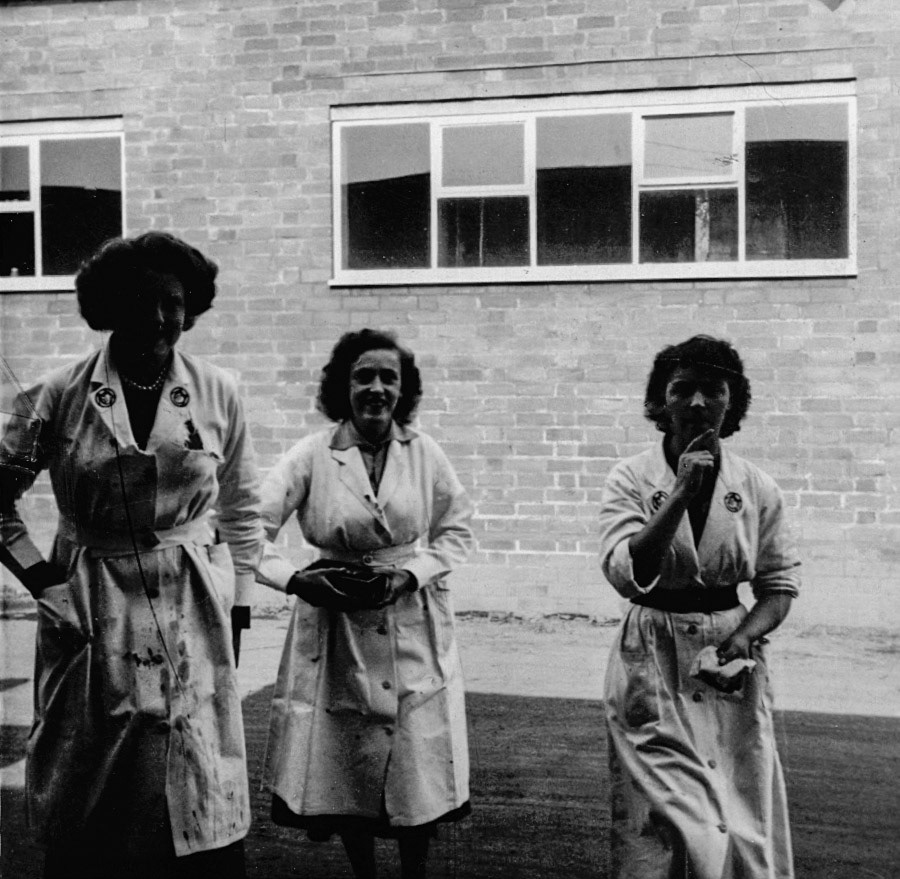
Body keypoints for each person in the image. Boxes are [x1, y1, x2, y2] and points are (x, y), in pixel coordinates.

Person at [0, 232, 263, 879]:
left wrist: (239, 603)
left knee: (193, 765)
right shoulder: (56, 395)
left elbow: (242, 508)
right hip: (91, 600)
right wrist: (44, 582)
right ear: (110, 305)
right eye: (140, 300)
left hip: (191, 596)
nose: (158, 317)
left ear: (190, 307)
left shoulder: (218, 391)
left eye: (172, 301)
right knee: (90, 773)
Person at [256, 328, 474, 879]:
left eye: (388, 378)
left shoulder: (423, 453)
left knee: (416, 758)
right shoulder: (312, 454)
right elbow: (245, 530)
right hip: (335, 622)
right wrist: (295, 581)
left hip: (410, 617)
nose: (376, 389)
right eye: (363, 377)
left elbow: (457, 530)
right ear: (343, 387)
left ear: (403, 390)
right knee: (348, 755)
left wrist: (411, 573)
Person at [597, 335, 800, 879]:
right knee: (665, 816)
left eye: (713, 390)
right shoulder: (631, 478)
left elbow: (779, 585)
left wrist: (743, 637)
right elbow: (626, 571)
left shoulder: (756, 486)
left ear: (732, 402)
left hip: (730, 660)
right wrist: (682, 493)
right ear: (661, 401)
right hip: (653, 652)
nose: (697, 403)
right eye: (682, 389)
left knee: (738, 813)